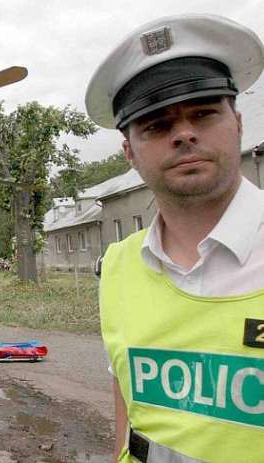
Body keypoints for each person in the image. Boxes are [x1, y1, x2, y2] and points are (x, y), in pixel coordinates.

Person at [85, 14, 264, 463]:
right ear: (129, 153)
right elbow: (129, 410)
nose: (184, 133)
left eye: (203, 113)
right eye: (157, 126)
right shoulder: (118, 267)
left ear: (237, 122)